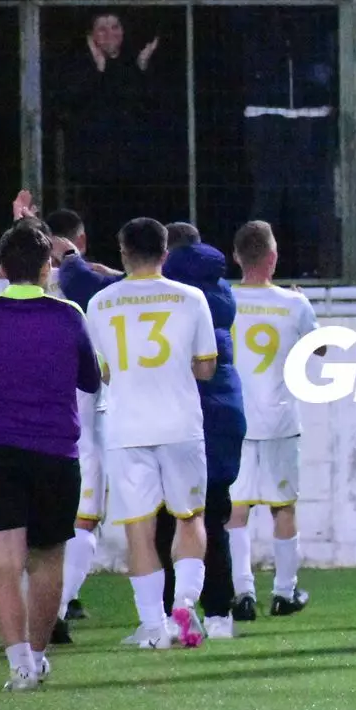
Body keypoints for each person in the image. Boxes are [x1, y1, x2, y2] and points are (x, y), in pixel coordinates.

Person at [0, 224, 102, 690]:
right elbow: (90, 378)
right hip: (54, 453)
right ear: (47, 269)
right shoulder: (68, 315)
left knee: (3, 564)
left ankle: (19, 664)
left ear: (2, 267)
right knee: (47, 560)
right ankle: (38, 658)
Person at [84, 219, 218, 649]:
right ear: (165, 253)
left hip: (127, 427)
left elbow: (102, 372)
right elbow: (206, 366)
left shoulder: (100, 303)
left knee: (138, 529)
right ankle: (184, 604)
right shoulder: (191, 298)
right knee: (190, 517)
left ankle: (154, 628)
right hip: (180, 424)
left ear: (123, 253)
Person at [0, 200, 107, 643]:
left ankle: (24, 637)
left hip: (3, 436)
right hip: (70, 429)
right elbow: (92, 374)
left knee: (12, 543)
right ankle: (53, 615)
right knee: (73, 530)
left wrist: (22, 228)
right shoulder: (81, 291)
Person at [150, 224, 249, 640]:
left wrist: (72, 263)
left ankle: (168, 614)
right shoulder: (221, 291)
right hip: (225, 413)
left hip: (180, 415)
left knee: (166, 519)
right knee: (213, 515)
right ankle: (220, 615)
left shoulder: (166, 293)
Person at [227, 221, 319, 624]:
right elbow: (319, 350)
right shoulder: (294, 304)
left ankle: (242, 592)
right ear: (273, 257)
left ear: (236, 256)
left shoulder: (223, 299)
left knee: (236, 508)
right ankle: (283, 592)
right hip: (280, 418)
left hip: (237, 420)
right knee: (283, 506)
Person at [236, 0, 337, 278]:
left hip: (310, 114)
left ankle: (310, 270)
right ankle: (256, 271)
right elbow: (243, 20)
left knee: (308, 199)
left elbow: (329, 13)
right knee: (267, 198)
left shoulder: (312, 1)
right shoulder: (262, 3)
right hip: (266, 114)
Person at [53, 11, 179, 265]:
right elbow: (69, 104)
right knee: (97, 222)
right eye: (102, 28)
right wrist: (97, 70)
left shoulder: (133, 64)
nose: (110, 34)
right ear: (91, 35)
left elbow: (152, 107)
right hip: (94, 169)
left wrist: (142, 68)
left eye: (115, 27)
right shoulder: (77, 66)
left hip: (133, 167)